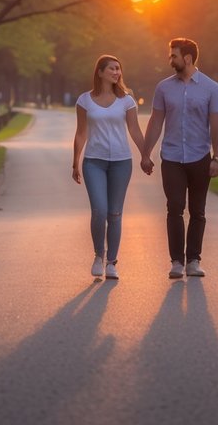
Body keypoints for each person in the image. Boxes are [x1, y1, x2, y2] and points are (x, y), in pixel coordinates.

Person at [140, 37, 218, 279]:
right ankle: (177, 261)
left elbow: (217, 125)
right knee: (175, 207)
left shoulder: (212, 88)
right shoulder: (164, 88)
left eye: (173, 55)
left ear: (187, 58)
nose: (170, 60)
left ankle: (193, 261)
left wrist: (216, 157)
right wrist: (146, 153)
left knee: (198, 211)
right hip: (173, 157)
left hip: (200, 157)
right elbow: (156, 122)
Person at [72, 54, 146, 280]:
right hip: (94, 161)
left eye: (119, 69)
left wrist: (145, 155)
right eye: (112, 69)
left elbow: (134, 130)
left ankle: (112, 262)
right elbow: (81, 132)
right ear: (100, 72)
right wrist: (75, 161)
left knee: (114, 213)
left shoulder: (127, 101)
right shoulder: (84, 100)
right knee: (99, 210)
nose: (117, 72)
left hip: (121, 162)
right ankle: (98, 255)